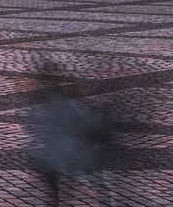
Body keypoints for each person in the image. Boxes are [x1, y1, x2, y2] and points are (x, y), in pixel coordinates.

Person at [27, 62, 115, 205]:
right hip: (65, 154)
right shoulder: (60, 104)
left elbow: (40, 129)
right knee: (88, 181)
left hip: (66, 154)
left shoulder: (60, 105)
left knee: (81, 182)